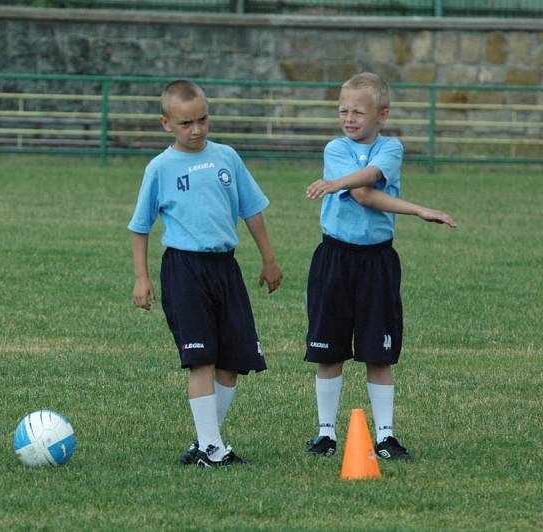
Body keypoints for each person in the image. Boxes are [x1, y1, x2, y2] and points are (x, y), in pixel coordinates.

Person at [128, 80, 283, 467]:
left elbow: (252, 211)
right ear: (166, 123)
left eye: (202, 120)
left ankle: (204, 442)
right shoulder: (160, 168)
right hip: (184, 269)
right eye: (185, 123)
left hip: (225, 268)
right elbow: (140, 226)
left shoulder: (227, 157)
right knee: (202, 360)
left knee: (231, 364)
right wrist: (141, 277)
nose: (195, 130)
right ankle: (213, 450)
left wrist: (268, 258)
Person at [303, 72, 456, 461]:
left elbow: (370, 182)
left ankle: (386, 436)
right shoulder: (335, 148)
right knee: (328, 351)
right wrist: (340, 183)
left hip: (378, 262)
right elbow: (360, 193)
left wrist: (420, 209)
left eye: (358, 111)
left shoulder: (392, 148)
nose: (349, 118)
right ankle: (325, 434)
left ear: (381, 115)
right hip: (335, 258)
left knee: (380, 352)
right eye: (343, 110)